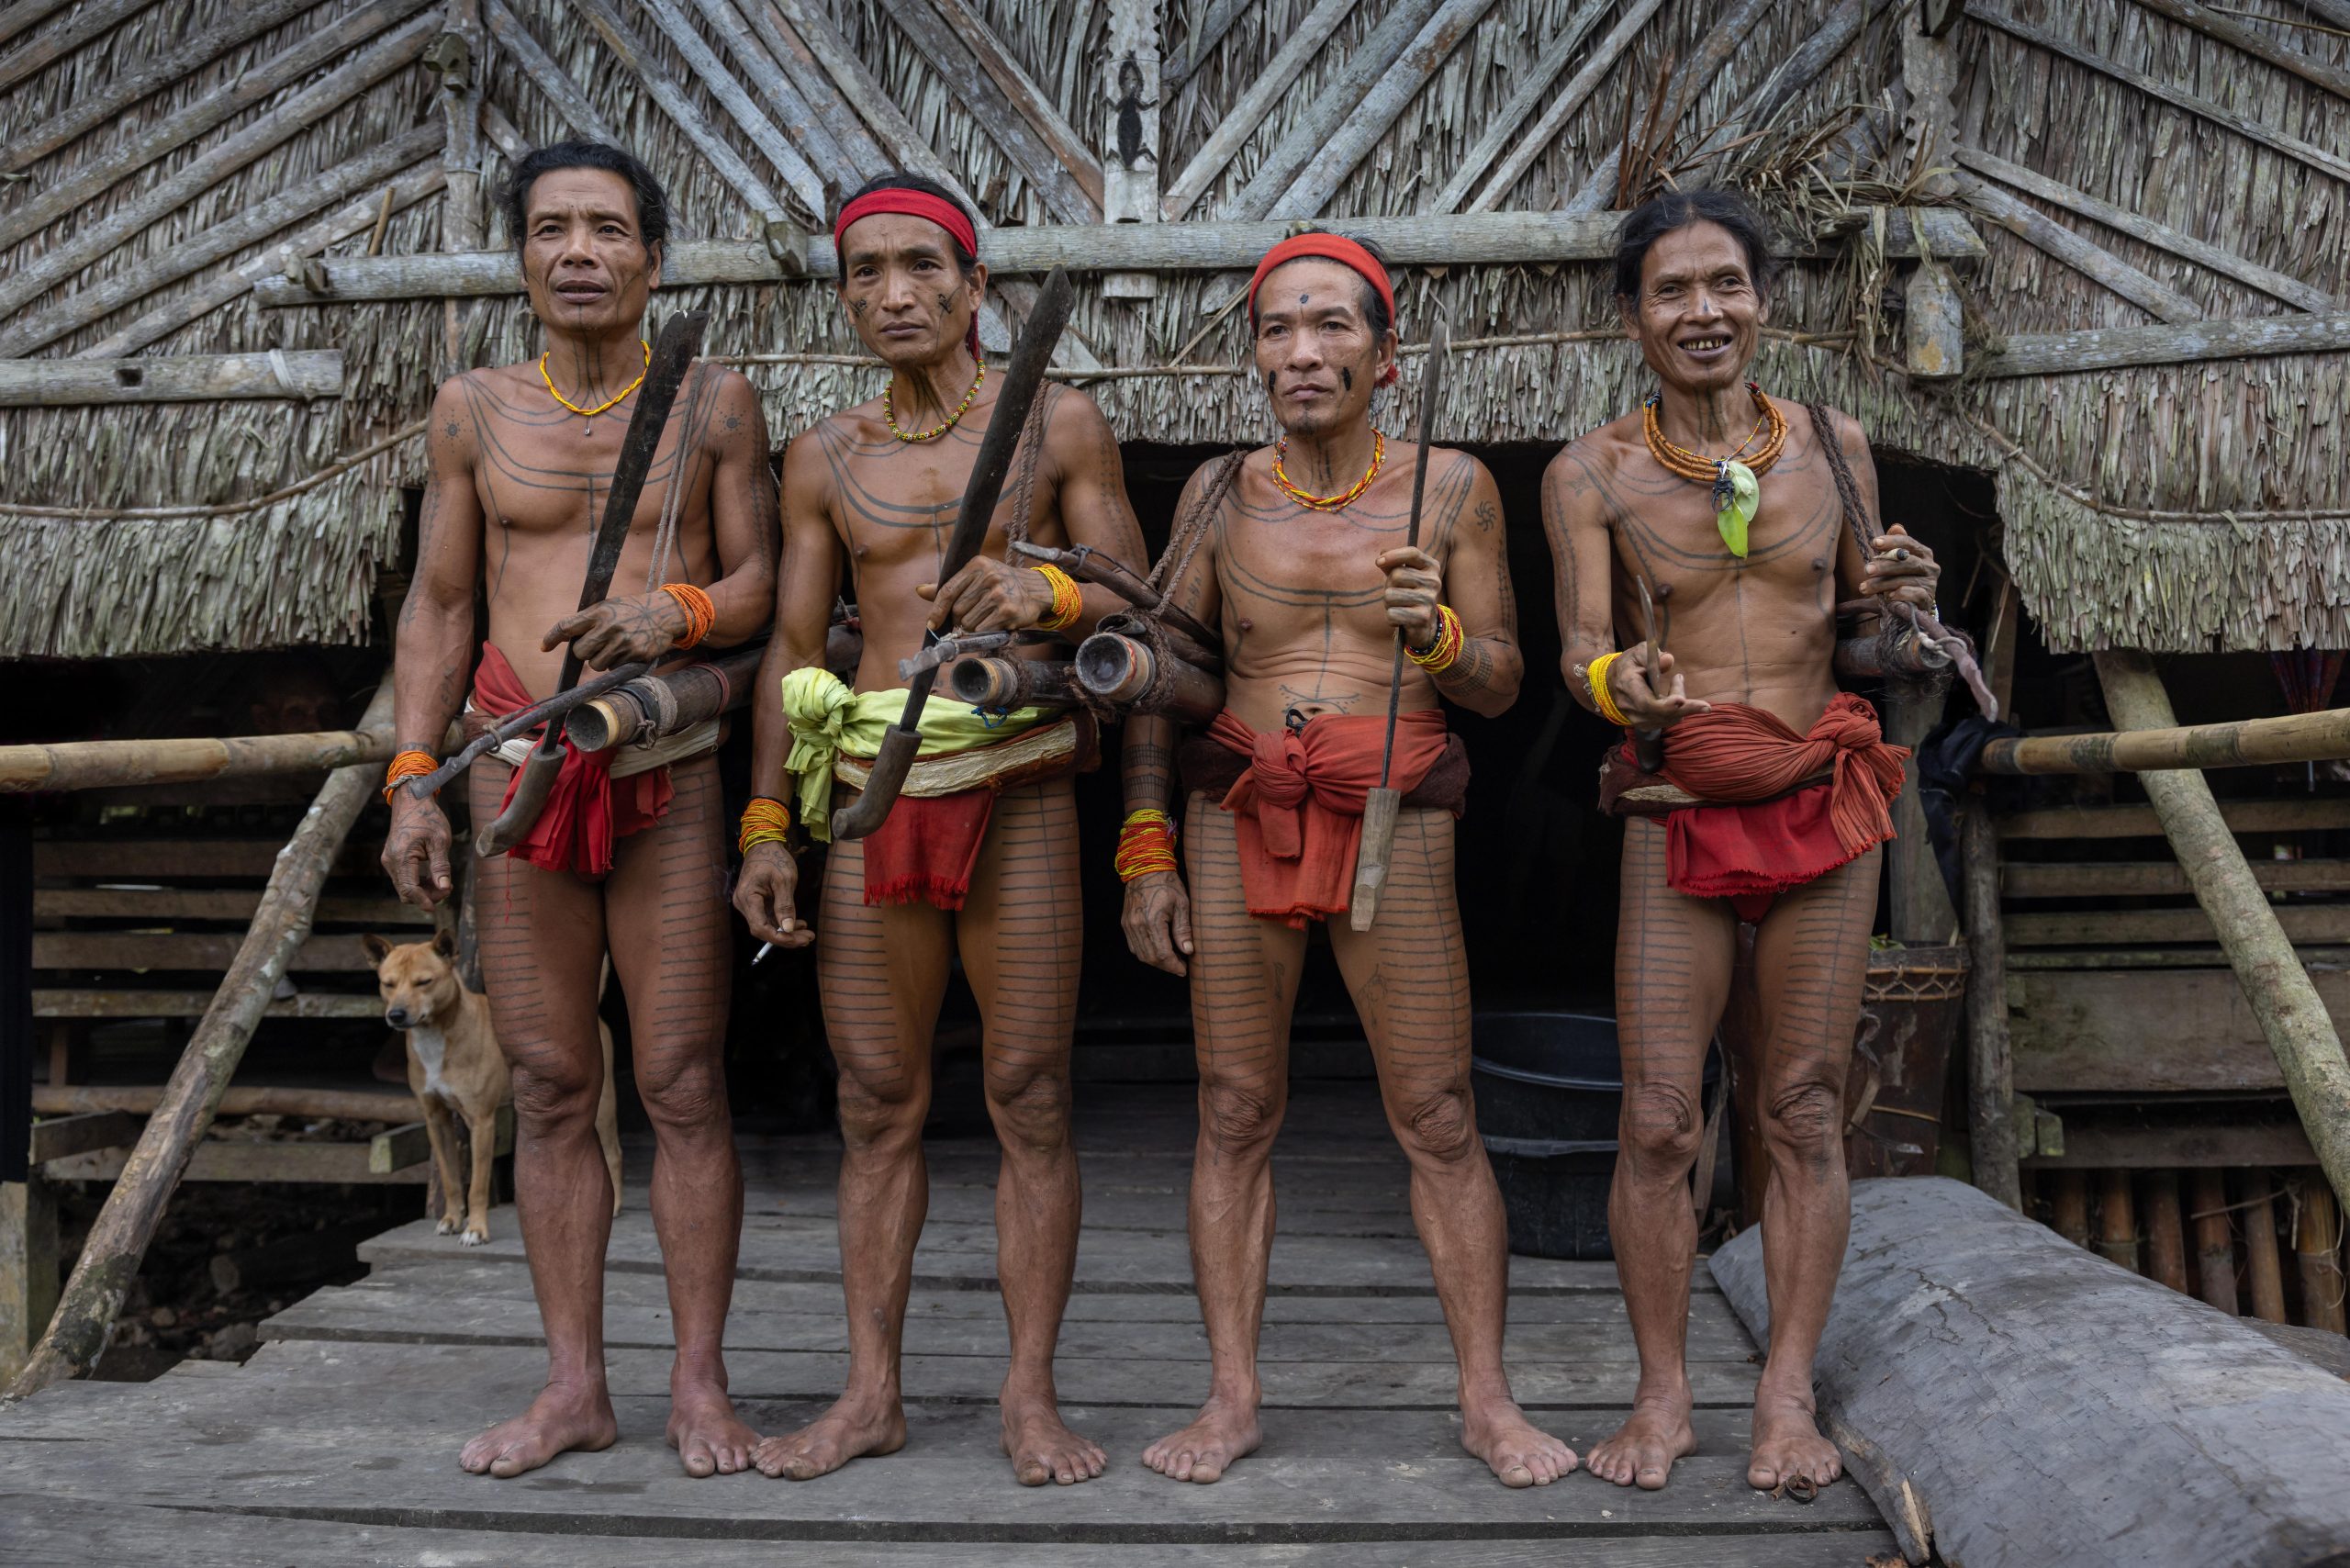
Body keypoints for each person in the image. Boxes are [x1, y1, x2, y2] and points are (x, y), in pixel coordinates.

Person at [1117, 231, 1576, 1490]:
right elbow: (1161, 677)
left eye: (1330, 327)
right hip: (1240, 803)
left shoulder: (1452, 488)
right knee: (1233, 1107)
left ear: (1387, 355)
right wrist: (1145, 846)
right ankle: (1231, 1397)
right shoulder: (1218, 490)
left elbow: (1501, 687)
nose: (1301, 352)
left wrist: (1435, 638)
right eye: (1277, 328)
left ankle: (1487, 1400)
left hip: (1397, 815)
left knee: (1435, 1112)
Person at [732, 174, 1150, 1487]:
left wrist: (1045, 589)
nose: (893, 292)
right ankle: (872, 1394)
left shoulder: (1057, 426)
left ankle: (1030, 1395)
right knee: (874, 1100)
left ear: (978, 288)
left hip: (1014, 782)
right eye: (865, 271)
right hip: (868, 795)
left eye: (923, 265)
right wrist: (764, 831)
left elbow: (1145, 608)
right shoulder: (824, 454)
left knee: (1026, 1092)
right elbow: (794, 649)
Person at [380, 140, 778, 1480]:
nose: (579, 254)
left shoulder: (715, 402)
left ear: (654, 260)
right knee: (551, 1082)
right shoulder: (472, 410)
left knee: (678, 1081)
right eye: (552, 230)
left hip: (658, 759)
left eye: (608, 230)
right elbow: (440, 604)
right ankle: (573, 1388)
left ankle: (702, 1386)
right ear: (523, 260)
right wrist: (409, 777)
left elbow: (766, 586)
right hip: (512, 765)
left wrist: (675, 609)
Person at [1540, 189, 1939, 1495]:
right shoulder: (1590, 473)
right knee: (1659, 1119)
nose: (1703, 312)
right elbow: (1580, 651)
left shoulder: (1834, 442)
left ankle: (1784, 1397)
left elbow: (1862, 637)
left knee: (1807, 1107)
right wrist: (1624, 690)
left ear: (1762, 300)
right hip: (1680, 807)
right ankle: (1664, 1400)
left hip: (1823, 803)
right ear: (1631, 316)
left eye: (1726, 286)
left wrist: (1902, 614)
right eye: (1672, 291)